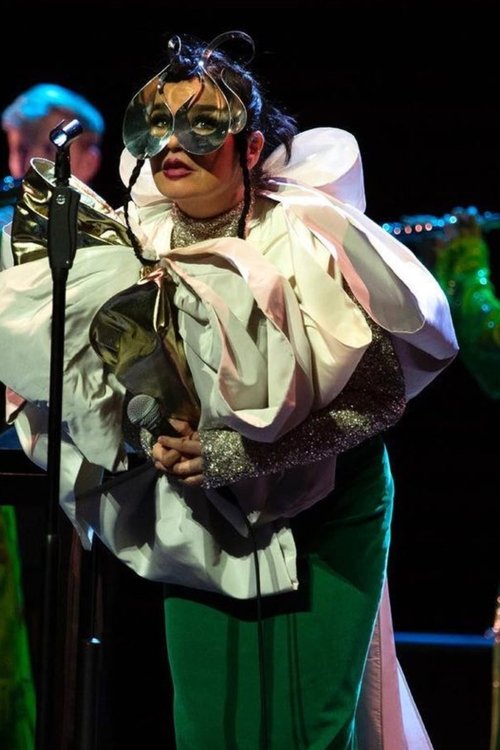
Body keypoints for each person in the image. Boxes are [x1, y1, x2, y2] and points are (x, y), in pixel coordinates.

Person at [0, 31, 458, 749]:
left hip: (325, 504)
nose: (173, 144)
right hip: (202, 521)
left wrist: (238, 455)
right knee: (210, 727)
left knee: (307, 729)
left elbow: (378, 395)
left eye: (202, 124)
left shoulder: (301, 236)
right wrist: (146, 433)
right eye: (159, 123)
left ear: (250, 146)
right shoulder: (133, 239)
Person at [0, 83, 104, 750]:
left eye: (30, 149)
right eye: (13, 150)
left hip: (74, 462)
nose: (17, 167)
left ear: (84, 155)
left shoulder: (109, 232)